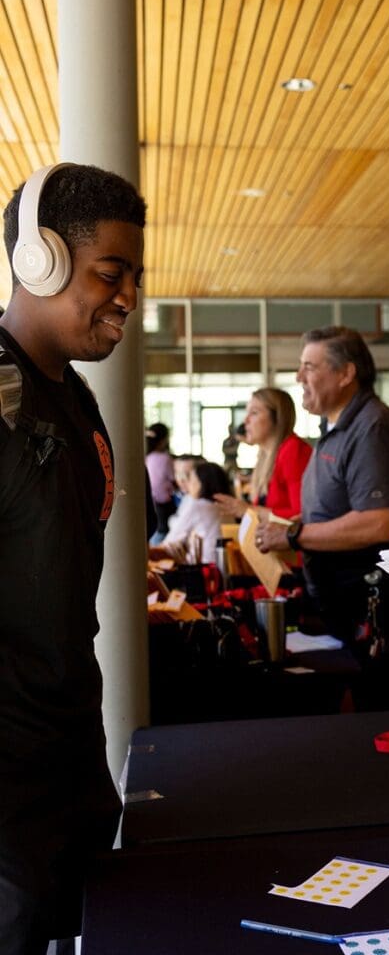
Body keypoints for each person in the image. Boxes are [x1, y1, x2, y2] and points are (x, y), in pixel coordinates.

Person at [0, 163, 145, 954]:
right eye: (110, 274)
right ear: (40, 261)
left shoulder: (76, 397)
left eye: (133, 277)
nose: (127, 297)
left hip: (70, 750)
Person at [257, 326, 389, 711]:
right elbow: (340, 505)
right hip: (352, 614)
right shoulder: (337, 427)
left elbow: (378, 522)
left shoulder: (373, 429)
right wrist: (295, 524)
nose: (298, 377)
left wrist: (295, 535)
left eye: (310, 367)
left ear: (346, 374)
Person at [214, 387, 311, 522]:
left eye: (254, 413)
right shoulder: (265, 455)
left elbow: (301, 514)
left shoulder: (293, 450)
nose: (246, 420)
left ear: (277, 417)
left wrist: (248, 510)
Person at [151, 461, 232, 564]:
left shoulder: (198, 506)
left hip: (205, 570)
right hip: (223, 566)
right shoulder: (226, 506)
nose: (187, 483)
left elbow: (170, 541)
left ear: (202, 484)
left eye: (192, 480)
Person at [145, 421, 176, 538]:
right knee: (163, 531)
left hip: (151, 499)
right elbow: (172, 478)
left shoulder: (146, 457)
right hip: (164, 501)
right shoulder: (165, 458)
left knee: (155, 531)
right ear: (164, 440)